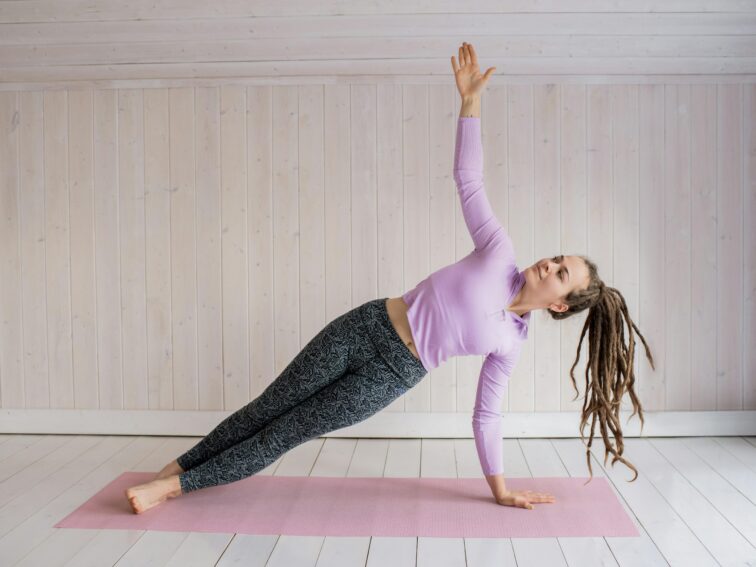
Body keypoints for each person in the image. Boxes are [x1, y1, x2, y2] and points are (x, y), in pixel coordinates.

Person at [126, 42, 655, 515]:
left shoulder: (510, 343)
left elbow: (486, 417)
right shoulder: (500, 253)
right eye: (557, 258)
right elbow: (468, 179)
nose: (549, 264)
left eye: (561, 274)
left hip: (391, 376)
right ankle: (175, 469)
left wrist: (500, 490)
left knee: (286, 432)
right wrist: (470, 103)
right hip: (365, 325)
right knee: (268, 406)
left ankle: (171, 490)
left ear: (561, 304)